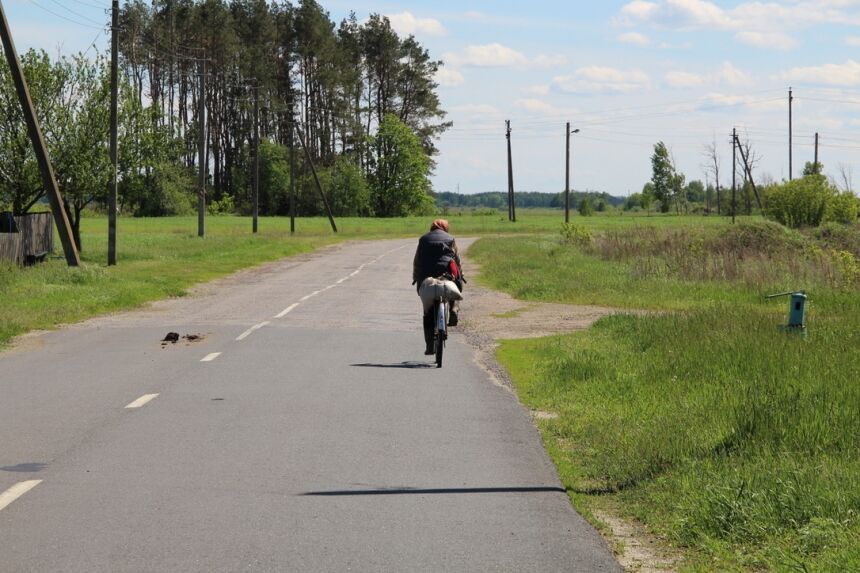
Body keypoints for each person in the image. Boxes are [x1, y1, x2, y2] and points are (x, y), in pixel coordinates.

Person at [412, 219, 464, 355]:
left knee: (428, 312)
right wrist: (461, 276)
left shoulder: (423, 239)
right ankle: (453, 307)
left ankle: (430, 346)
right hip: (446, 274)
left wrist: (416, 277)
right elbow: (457, 260)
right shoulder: (450, 238)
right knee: (456, 285)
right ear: (445, 228)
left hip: (426, 276)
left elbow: (417, 261)